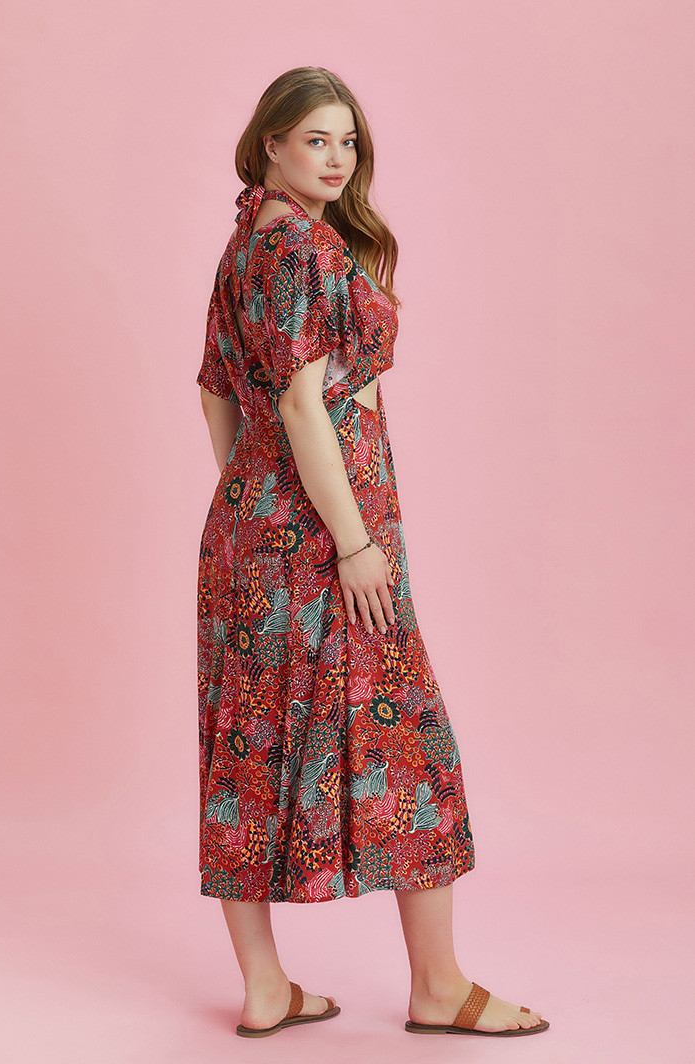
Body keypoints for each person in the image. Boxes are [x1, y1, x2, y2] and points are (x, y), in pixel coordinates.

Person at [195, 66, 549, 1040]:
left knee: (244, 750)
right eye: (315, 138)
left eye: (346, 141)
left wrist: (256, 499)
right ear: (270, 142)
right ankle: (437, 985)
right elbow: (302, 402)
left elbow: (216, 389)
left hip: (249, 537)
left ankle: (266, 987)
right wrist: (346, 541)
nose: (337, 157)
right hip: (325, 542)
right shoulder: (302, 247)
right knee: (411, 746)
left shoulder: (245, 242)